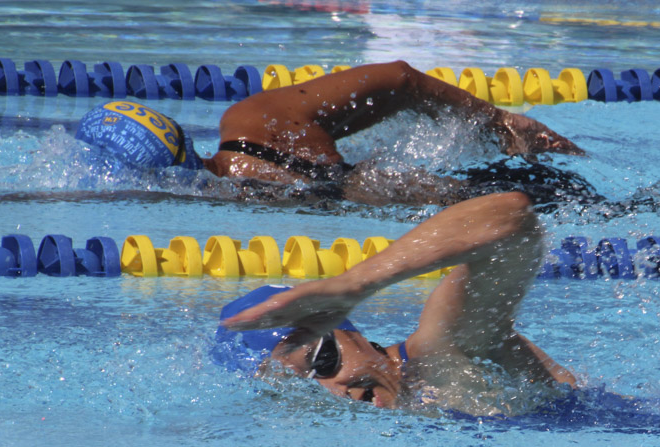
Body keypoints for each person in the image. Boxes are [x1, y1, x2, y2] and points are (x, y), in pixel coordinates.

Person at [216, 190, 576, 412]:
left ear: (349, 333)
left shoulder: (442, 351)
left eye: (323, 360)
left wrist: (356, 284)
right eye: (295, 390)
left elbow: (512, 217)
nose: (334, 392)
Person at [74, 60, 586, 206]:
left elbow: (400, 77)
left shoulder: (255, 134)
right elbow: (403, 82)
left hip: (488, 198)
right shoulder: (251, 124)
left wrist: (501, 120)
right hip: (488, 191)